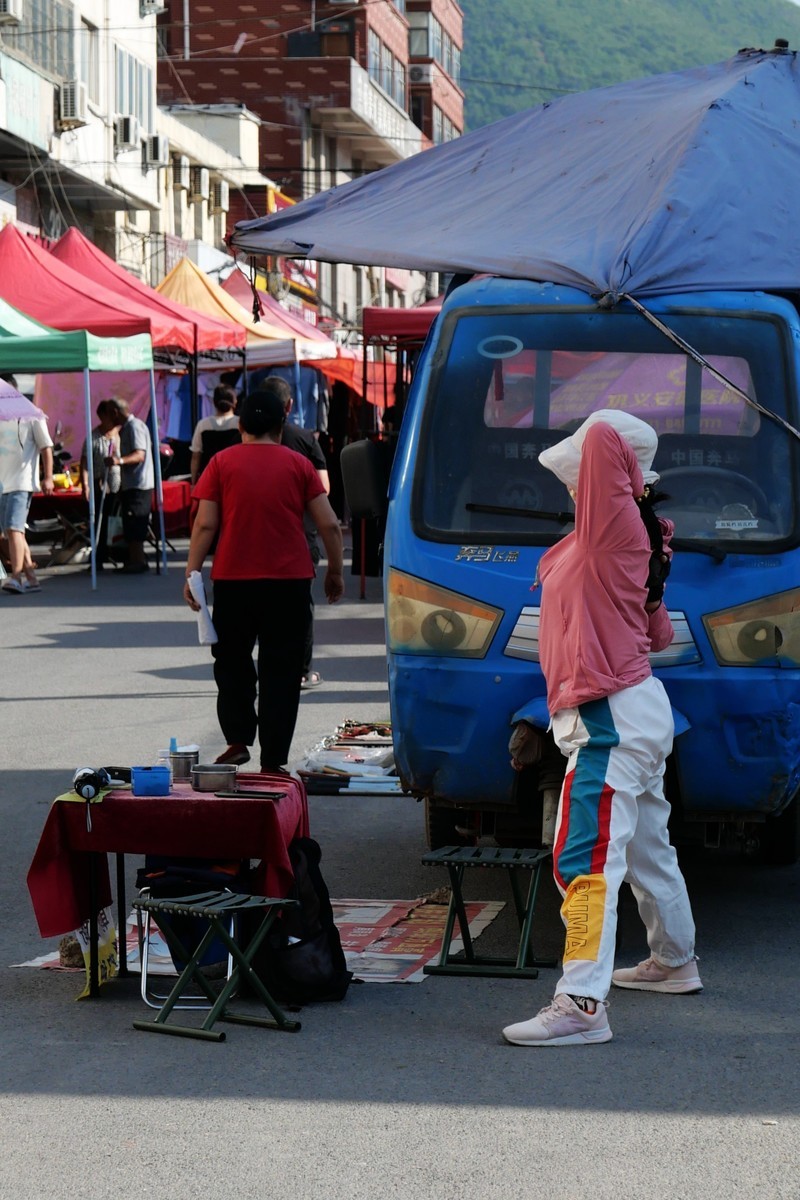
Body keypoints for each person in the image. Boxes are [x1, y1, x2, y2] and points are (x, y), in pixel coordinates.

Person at [502, 409, 700, 1049]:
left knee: (584, 856)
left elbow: (608, 438)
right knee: (646, 848)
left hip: (607, 716)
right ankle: (674, 963)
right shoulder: (630, 535)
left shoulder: (617, 526)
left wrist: (626, 471)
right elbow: (657, 633)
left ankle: (582, 1000)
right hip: (630, 706)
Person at [183, 388, 344, 773]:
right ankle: (273, 760)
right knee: (283, 671)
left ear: (240, 425)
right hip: (289, 583)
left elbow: (205, 523)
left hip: (234, 582)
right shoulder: (299, 464)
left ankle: (238, 738)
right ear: (282, 424)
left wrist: (192, 574)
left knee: (232, 662)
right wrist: (335, 572)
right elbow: (330, 524)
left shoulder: (220, 463)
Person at [257, 375, 330, 689]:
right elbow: (324, 489)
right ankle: (302, 670)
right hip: (301, 537)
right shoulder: (305, 439)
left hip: (255, 538)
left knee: (260, 606)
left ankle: (267, 669)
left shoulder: (242, 443)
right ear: (289, 405)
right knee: (301, 609)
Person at [0, 413, 54, 594]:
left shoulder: (33, 416)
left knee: (15, 529)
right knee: (13, 532)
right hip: (3, 484)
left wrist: (48, 477)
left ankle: (16, 577)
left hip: (22, 482)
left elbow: (46, 447)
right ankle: (31, 578)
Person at [103, 398, 154, 574]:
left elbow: (140, 455)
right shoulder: (126, 429)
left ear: (115, 413)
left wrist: (119, 461)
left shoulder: (135, 427)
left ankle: (138, 560)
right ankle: (134, 559)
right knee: (130, 522)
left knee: (136, 521)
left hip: (139, 484)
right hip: (131, 483)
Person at [80, 400, 121, 569]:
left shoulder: (119, 434)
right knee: (99, 521)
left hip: (117, 484)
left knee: (114, 521)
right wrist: (85, 485)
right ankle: (98, 556)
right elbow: (84, 462)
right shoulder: (93, 437)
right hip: (99, 483)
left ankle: (115, 552)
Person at [189, 384, 241, 487]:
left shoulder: (203, 424)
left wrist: (193, 482)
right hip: (234, 476)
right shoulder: (240, 424)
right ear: (234, 401)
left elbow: (196, 456)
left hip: (209, 476)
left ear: (214, 402)